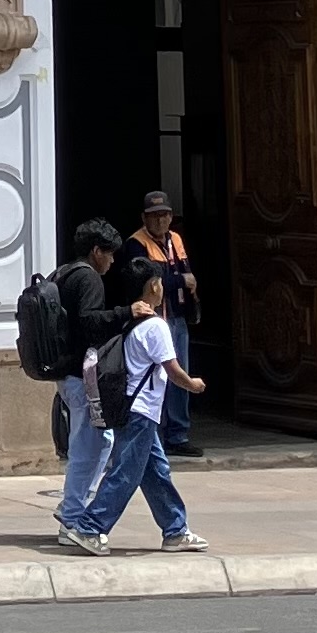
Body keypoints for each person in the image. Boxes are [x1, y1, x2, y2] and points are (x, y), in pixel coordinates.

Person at [65, 266, 208, 556]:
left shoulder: (132, 322)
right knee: (126, 473)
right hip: (140, 412)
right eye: (160, 283)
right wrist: (192, 385)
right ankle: (90, 527)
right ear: (154, 286)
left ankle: (175, 530)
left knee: (156, 471)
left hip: (133, 409)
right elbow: (173, 370)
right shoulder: (155, 326)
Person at [50, 216, 146, 541]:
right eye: (109, 253)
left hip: (68, 374)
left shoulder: (63, 273)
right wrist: (127, 312)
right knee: (87, 449)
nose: (112, 260)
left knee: (102, 441)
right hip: (81, 377)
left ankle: (74, 505)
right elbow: (89, 322)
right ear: (96, 251)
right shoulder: (88, 278)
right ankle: (71, 520)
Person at [125, 193, 203, 457]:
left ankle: (178, 435)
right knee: (157, 376)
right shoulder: (136, 244)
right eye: (155, 216)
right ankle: (155, 434)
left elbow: (185, 273)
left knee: (180, 373)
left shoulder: (176, 239)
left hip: (177, 318)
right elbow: (146, 283)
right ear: (144, 218)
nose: (161, 220)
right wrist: (181, 281)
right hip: (153, 319)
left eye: (165, 215)